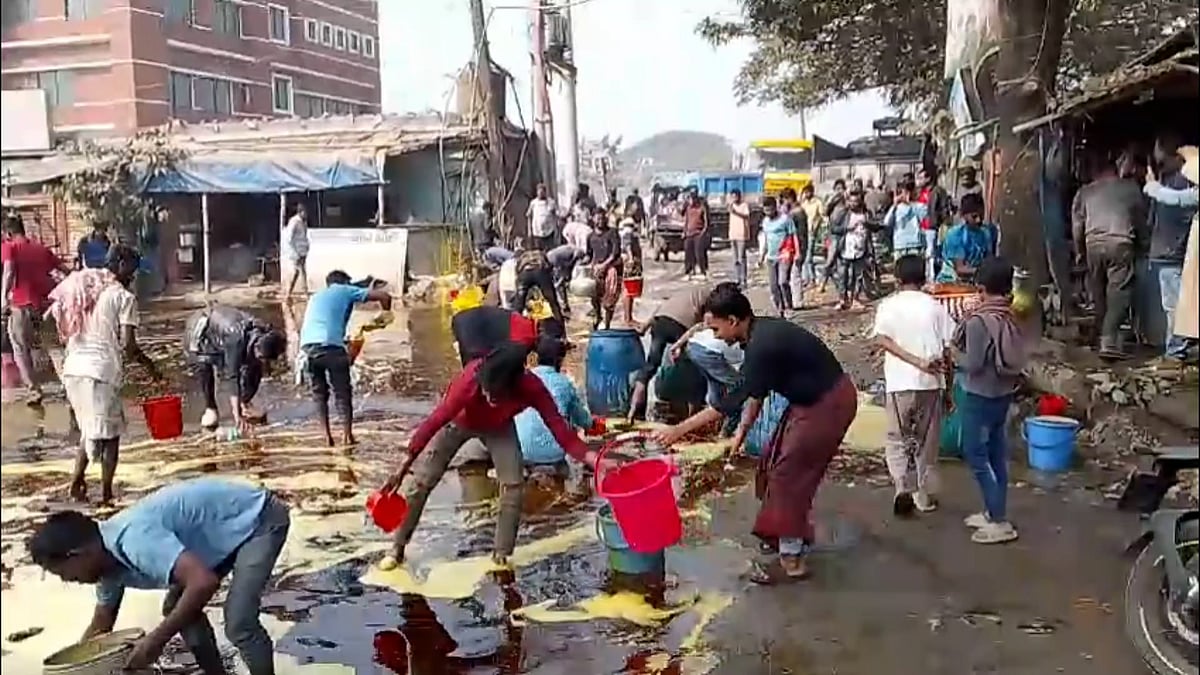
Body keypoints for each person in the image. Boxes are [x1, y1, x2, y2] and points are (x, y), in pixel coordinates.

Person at [651, 284, 857, 583]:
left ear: (734, 320)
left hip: (828, 404)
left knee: (790, 476)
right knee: (771, 466)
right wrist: (741, 433)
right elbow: (755, 395)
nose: (714, 335)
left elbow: (728, 403)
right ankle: (784, 536)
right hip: (809, 401)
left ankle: (792, 558)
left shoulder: (762, 346)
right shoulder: (756, 336)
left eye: (716, 328)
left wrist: (678, 430)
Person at [26, 478, 290, 674]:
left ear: (77, 554)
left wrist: (156, 640)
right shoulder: (105, 567)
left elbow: (203, 582)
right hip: (218, 535)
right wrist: (72, 670)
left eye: (63, 574)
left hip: (258, 518)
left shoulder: (134, 541)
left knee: (239, 621)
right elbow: (101, 627)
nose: (67, 581)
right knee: (177, 608)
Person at [380, 343, 605, 565]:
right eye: (486, 392)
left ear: (514, 387)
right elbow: (434, 422)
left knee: (513, 485)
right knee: (423, 480)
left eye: (495, 396)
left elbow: (562, 433)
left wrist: (595, 460)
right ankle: (397, 548)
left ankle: (501, 555)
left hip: (499, 427)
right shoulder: (469, 382)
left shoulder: (531, 387)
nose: (489, 398)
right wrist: (402, 467)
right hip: (459, 422)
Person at [44, 244, 159, 504]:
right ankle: (106, 494)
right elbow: (129, 346)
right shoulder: (124, 298)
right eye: (132, 268)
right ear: (119, 264)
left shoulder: (88, 288)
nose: (134, 274)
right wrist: (151, 368)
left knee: (89, 429)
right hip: (100, 373)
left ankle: (76, 484)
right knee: (110, 436)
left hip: (73, 370)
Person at [873, 254, 955, 516]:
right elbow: (948, 350)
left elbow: (882, 340)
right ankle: (922, 494)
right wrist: (949, 387)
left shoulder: (888, 306)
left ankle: (901, 487)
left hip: (899, 384)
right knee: (926, 440)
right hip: (930, 384)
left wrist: (913, 361)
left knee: (897, 437)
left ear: (897, 279)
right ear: (924, 277)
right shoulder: (935, 307)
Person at [954, 257, 1026, 545]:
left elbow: (972, 363)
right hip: (1004, 392)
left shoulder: (978, 321)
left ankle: (999, 520)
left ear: (980, 288)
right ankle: (993, 511)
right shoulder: (1012, 313)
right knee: (996, 454)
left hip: (979, 393)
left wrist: (951, 355)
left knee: (974, 454)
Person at [299, 270, 392, 446]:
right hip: (330, 347)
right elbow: (384, 296)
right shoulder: (344, 289)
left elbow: (324, 325)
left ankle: (326, 437)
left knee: (319, 393)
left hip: (307, 349)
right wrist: (385, 316)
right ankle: (347, 436)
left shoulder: (316, 297)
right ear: (344, 282)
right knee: (342, 393)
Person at [1071, 153, 1146, 359]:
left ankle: (1102, 337)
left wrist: (1079, 253)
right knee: (1118, 293)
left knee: (1099, 294)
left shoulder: (1084, 192)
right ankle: (1109, 340)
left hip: (1093, 244)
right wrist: (1144, 245)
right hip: (1120, 243)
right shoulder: (1130, 189)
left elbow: (1077, 226)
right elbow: (1140, 219)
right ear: (1114, 168)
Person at [183, 304, 287, 431]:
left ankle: (245, 403)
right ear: (256, 347)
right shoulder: (236, 339)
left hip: (224, 334)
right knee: (204, 367)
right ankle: (210, 407)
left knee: (254, 368)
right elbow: (232, 376)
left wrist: (243, 399)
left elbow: (257, 365)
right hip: (201, 333)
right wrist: (237, 416)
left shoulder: (263, 332)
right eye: (261, 357)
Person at [2, 215, 69, 402]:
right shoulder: (41, 249)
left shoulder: (9, 247)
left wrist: (3, 298)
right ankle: (68, 385)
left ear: (7, 233)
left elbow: (8, 271)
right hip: (46, 307)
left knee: (20, 348)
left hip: (21, 306)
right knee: (54, 347)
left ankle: (34, 391)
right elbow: (64, 271)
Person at [1145, 139, 1200, 365]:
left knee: (1176, 306)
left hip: (1175, 255)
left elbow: (1175, 199)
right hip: (1179, 253)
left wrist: (1151, 186)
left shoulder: (1185, 189)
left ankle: (1175, 352)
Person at [627, 284, 712, 421]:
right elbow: (704, 323)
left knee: (650, 367)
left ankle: (634, 411)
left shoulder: (683, 292)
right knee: (692, 369)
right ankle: (693, 413)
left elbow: (660, 310)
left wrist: (645, 326)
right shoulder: (711, 295)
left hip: (660, 322)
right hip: (681, 325)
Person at [515, 335, 592, 467]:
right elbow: (582, 419)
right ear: (560, 360)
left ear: (536, 358)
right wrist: (590, 424)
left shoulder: (522, 379)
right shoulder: (563, 383)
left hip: (521, 451)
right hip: (552, 455)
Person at [451, 304, 563, 366]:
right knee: (472, 372)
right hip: (471, 328)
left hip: (463, 319)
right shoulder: (525, 339)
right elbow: (510, 365)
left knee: (472, 369)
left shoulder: (525, 322)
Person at [938, 192, 999, 283]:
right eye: (974, 217)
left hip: (975, 280)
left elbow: (988, 260)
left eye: (981, 215)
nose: (978, 220)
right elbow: (960, 269)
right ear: (963, 215)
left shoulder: (986, 233)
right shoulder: (956, 234)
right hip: (951, 281)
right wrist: (986, 271)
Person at [760, 196, 797, 316]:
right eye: (766, 211)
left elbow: (793, 236)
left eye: (770, 210)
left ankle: (789, 306)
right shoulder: (765, 221)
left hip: (784, 255)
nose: (768, 213)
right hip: (771, 257)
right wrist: (762, 255)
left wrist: (797, 252)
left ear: (775, 207)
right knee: (773, 286)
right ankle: (779, 308)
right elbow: (765, 240)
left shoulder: (785, 219)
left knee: (783, 281)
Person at [587, 208, 622, 330]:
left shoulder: (612, 233)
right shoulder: (590, 236)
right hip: (597, 271)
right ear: (593, 219)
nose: (600, 220)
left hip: (611, 269)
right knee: (594, 297)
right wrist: (589, 266)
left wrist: (604, 265)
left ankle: (607, 325)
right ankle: (597, 317)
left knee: (609, 300)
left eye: (602, 218)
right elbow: (590, 255)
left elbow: (615, 253)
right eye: (598, 218)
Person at [916, 168, 951, 281]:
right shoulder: (919, 193)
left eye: (921, 178)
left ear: (928, 178)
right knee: (923, 252)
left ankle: (931, 277)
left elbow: (944, 208)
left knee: (931, 252)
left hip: (931, 226)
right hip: (920, 226)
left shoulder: (938, 191)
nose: (919, 181)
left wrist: (942, 223)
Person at [839, 196, 870, 310]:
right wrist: (847, 228)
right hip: (846, 248)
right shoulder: (845, 214)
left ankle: (855, 298)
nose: (853, 204)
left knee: (858, 275)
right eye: (851, 201)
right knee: (844, 275)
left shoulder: (865, 215)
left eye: (855, 201)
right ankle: (843, 298)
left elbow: (870, 230)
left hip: (860, 248)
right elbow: (835, 228)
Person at [884, 181, 927, 260]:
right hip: (900, 245)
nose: (902, 196)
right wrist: (894, 205)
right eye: (900, 193)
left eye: (905, 193)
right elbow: (886, 222)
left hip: (915, 244)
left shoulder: (918, 206)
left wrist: (910, 203)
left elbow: (924, 215)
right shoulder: (895, 208)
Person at [798, 184, 826, 288]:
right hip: (803, 232)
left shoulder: (817, 203)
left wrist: (817, 227)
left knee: (808, 257)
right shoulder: (804, 203)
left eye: (808, 192)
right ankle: (807, 278)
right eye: (805, 192)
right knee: (804, 256)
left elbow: (822, 216)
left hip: (811, 232)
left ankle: (812, 279)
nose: (807, 194)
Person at [619, 215, 643, 325]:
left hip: (626, 261)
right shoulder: (628, 233)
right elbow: (628, 246)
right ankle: (628, 318)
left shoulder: (623, 232)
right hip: (630, 263)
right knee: (629, 290)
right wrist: (631, 258)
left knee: (627, 289)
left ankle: (627, 317)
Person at [282, 203, 310, 298]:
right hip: (296, 251)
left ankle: (292, 292)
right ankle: (291, 292)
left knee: (301, 271)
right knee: (298, 272)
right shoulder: (294, 221)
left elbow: (304, 236)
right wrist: (294, 252)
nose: (306, 214)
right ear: (300, 212)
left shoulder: (304, 222)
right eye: (305, 212)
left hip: (302, 251)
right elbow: (289, 238)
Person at [681, 191, 709, 279]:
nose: (691, 201)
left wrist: (703, 233)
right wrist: (684, 231)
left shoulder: (702, 208)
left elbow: (706, 222)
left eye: (692, 199)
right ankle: (689, 270)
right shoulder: (688, 209)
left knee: (699, 253)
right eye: (689, 199)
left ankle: (702, 271)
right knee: (688, 253)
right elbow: (686, 220)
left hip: (698, 233)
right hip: (689, 233)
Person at [728, 188, 751, 287]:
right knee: (735, 259)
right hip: (733, 234)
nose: (734, 198)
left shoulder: (744, 205)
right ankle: (737, 279)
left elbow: (746, 216)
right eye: (732, 196)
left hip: (742, 234)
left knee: (742, 258)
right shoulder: (731, 206)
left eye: (735, 196)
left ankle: (744, 279)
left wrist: (736, 212)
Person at [526, 183, 559, 251]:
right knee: (538, 251)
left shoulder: (551, 202)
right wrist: (529, 230)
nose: (541, 193)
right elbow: (529, 216)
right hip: (537, 232)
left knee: (550, 250)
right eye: (539, 192)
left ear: (545, 192)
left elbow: (555, 216)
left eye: (542, 192)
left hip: (549, 231)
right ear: (537, 192)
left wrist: (556, 229)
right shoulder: (533, 203)